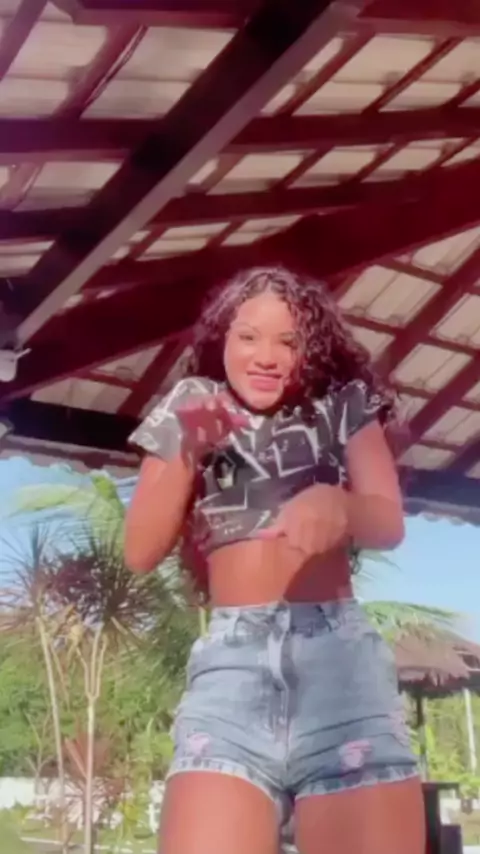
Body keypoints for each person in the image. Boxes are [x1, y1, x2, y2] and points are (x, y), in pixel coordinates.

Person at [125, 266, 425, 854]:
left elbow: (388, 522)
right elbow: (140, 551)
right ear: (224, 339)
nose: (267, 356)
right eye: (249, 337)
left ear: (311, 349)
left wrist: (341, 505)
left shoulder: (341, 403)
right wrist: (187, 448)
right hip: (230, 673)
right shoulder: (190, 405)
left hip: (340, 673)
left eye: (289, 341)